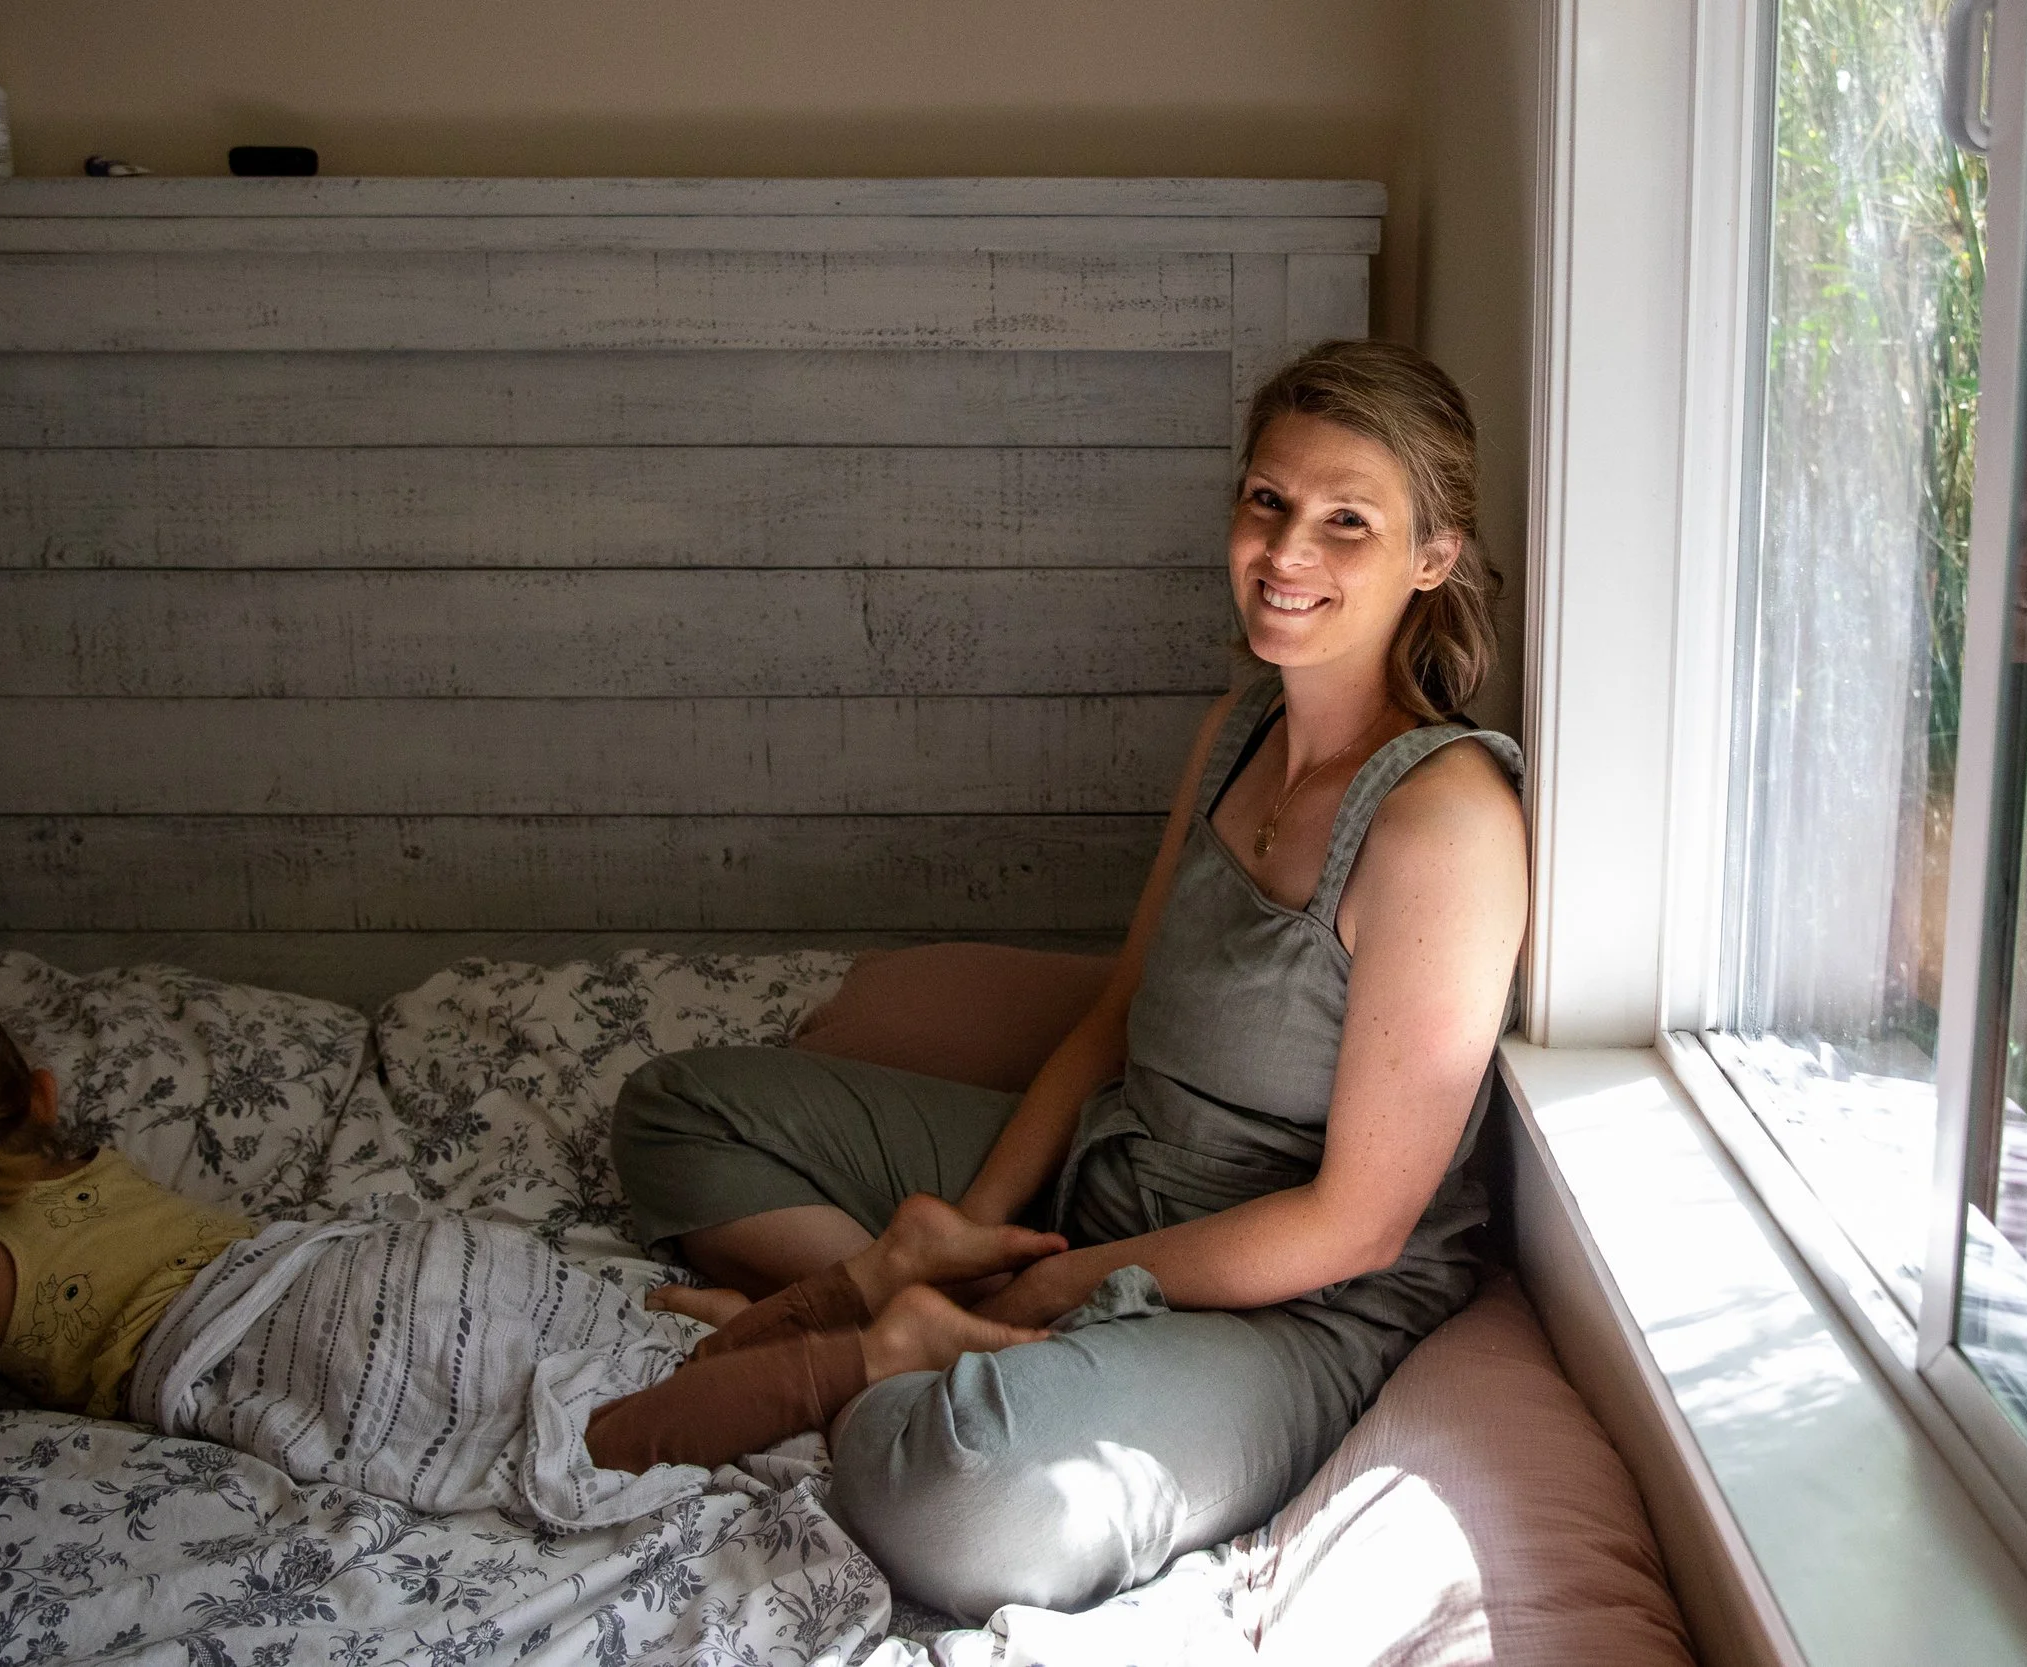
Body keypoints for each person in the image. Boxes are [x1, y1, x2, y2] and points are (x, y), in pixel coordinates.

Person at [612, 338, 1529, 1619]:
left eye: (1346, 522)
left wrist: (1058, 1282)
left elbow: (1356, 1226)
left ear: (1431, 558)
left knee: (968, 1486)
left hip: (1287, 1302)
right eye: (1267, 500)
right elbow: (1113, 1017)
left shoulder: (1447, 822)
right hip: (1110, 1173)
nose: (1285, 552)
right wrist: (964, 1229)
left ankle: (897, 1356)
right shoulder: (1237, 732)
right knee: (676, 1109)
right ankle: (912, 1301)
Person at [0, 991, 1058, 1531]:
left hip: (304, 1344)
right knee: (635, 1363)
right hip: (396, 1260)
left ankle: (867, 1348)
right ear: (39, 1091)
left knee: (600, 1438)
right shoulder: (98, 1160)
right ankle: (870, 1272)